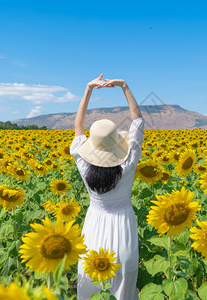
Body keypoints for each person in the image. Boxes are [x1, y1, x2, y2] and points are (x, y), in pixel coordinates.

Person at [70, 74, 145, 300]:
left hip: (94, 224)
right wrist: (124, 86)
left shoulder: (83, 165)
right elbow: (138, 121)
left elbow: (78, 127)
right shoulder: (129, 164)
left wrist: (88, 89)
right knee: (124, 278)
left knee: (91, 278)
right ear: (117, 143)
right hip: (124, 224)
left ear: (93, 146)